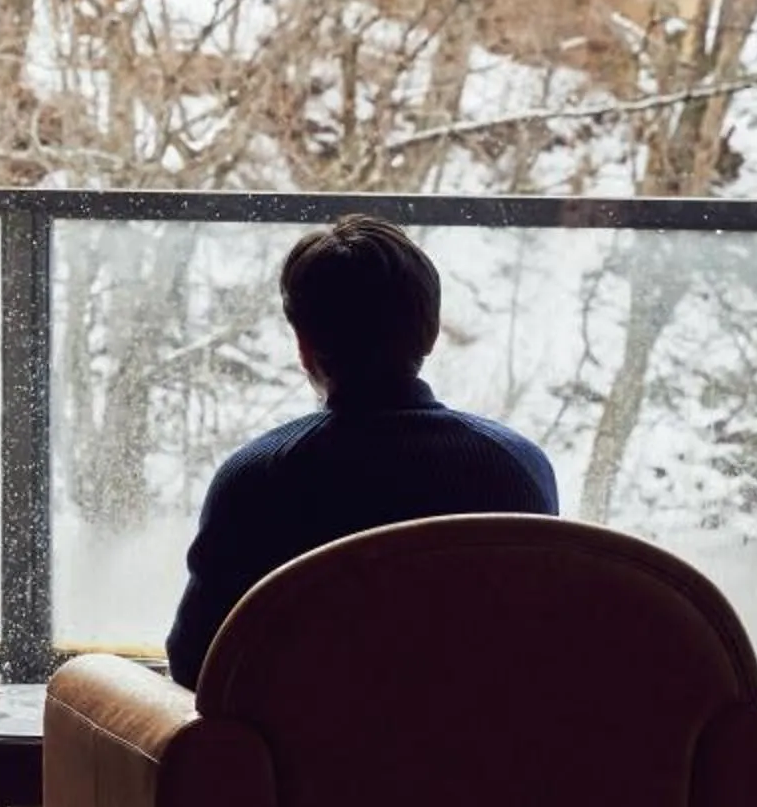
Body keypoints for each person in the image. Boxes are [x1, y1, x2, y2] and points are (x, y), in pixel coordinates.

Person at [162, 214, 559, 690]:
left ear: (304, 346)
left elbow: (198, 666)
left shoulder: (259, 480)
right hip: (489, 759)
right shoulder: (518, 467)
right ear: (430, 333)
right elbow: (536, 646)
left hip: (311, 762)